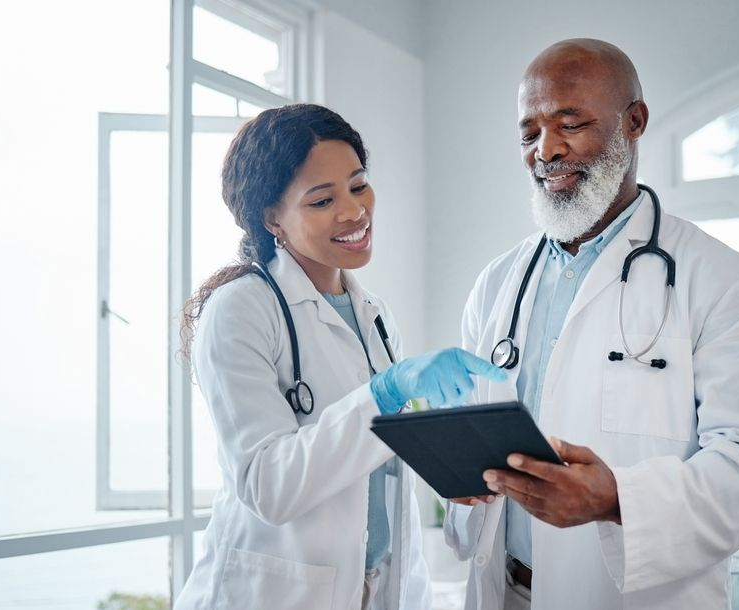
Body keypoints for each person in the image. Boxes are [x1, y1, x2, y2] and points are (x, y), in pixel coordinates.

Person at [443, 39, 739, 610]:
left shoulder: (726, 281)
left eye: (571, 124)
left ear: (634, 122)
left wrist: (617, 499)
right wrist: (458, 474)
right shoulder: (496, 283)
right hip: (502, 589)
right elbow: (474, 426)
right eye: (529, 133)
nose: (546, 151)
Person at [174, 104, 505, 610]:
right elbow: (269, 487)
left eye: (358, 185)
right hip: (277, 593)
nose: (353, 212)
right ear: (271, 219)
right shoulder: (241, 308)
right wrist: (386, 391)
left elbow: (371, 456)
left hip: (375, 585)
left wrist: (447, 465)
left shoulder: (373, 313)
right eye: (322, 199)